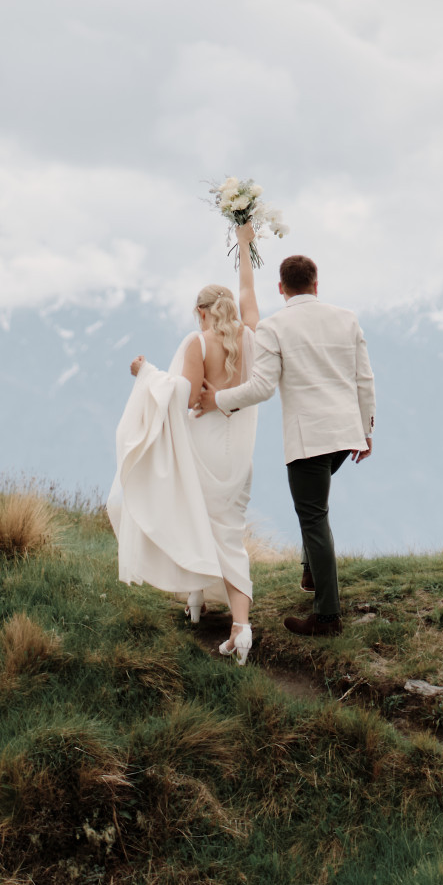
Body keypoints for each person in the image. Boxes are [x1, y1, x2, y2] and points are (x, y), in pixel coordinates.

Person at [192, 245, 374, 637]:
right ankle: (311, 572)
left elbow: (262, 388)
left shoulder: (275, 327)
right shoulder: (347, 318)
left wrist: (217, 400)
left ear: (281, 288)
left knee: (314, 517)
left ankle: (327, 617)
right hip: (346, 434)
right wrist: (366, 429)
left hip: (309, 440)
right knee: (314, 508)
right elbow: (364, 378)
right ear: (316, 284)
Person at [106, 226, 265, 662]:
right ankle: (240, 627)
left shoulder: (198, 343)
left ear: (200, 312)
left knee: (194, 517)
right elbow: (249, 291)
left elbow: (189, 398)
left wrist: (146, 374)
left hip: (204, 447)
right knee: (229, 532)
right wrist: (245, 243)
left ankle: (196, 600)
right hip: (239, 454)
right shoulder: (252, 336)